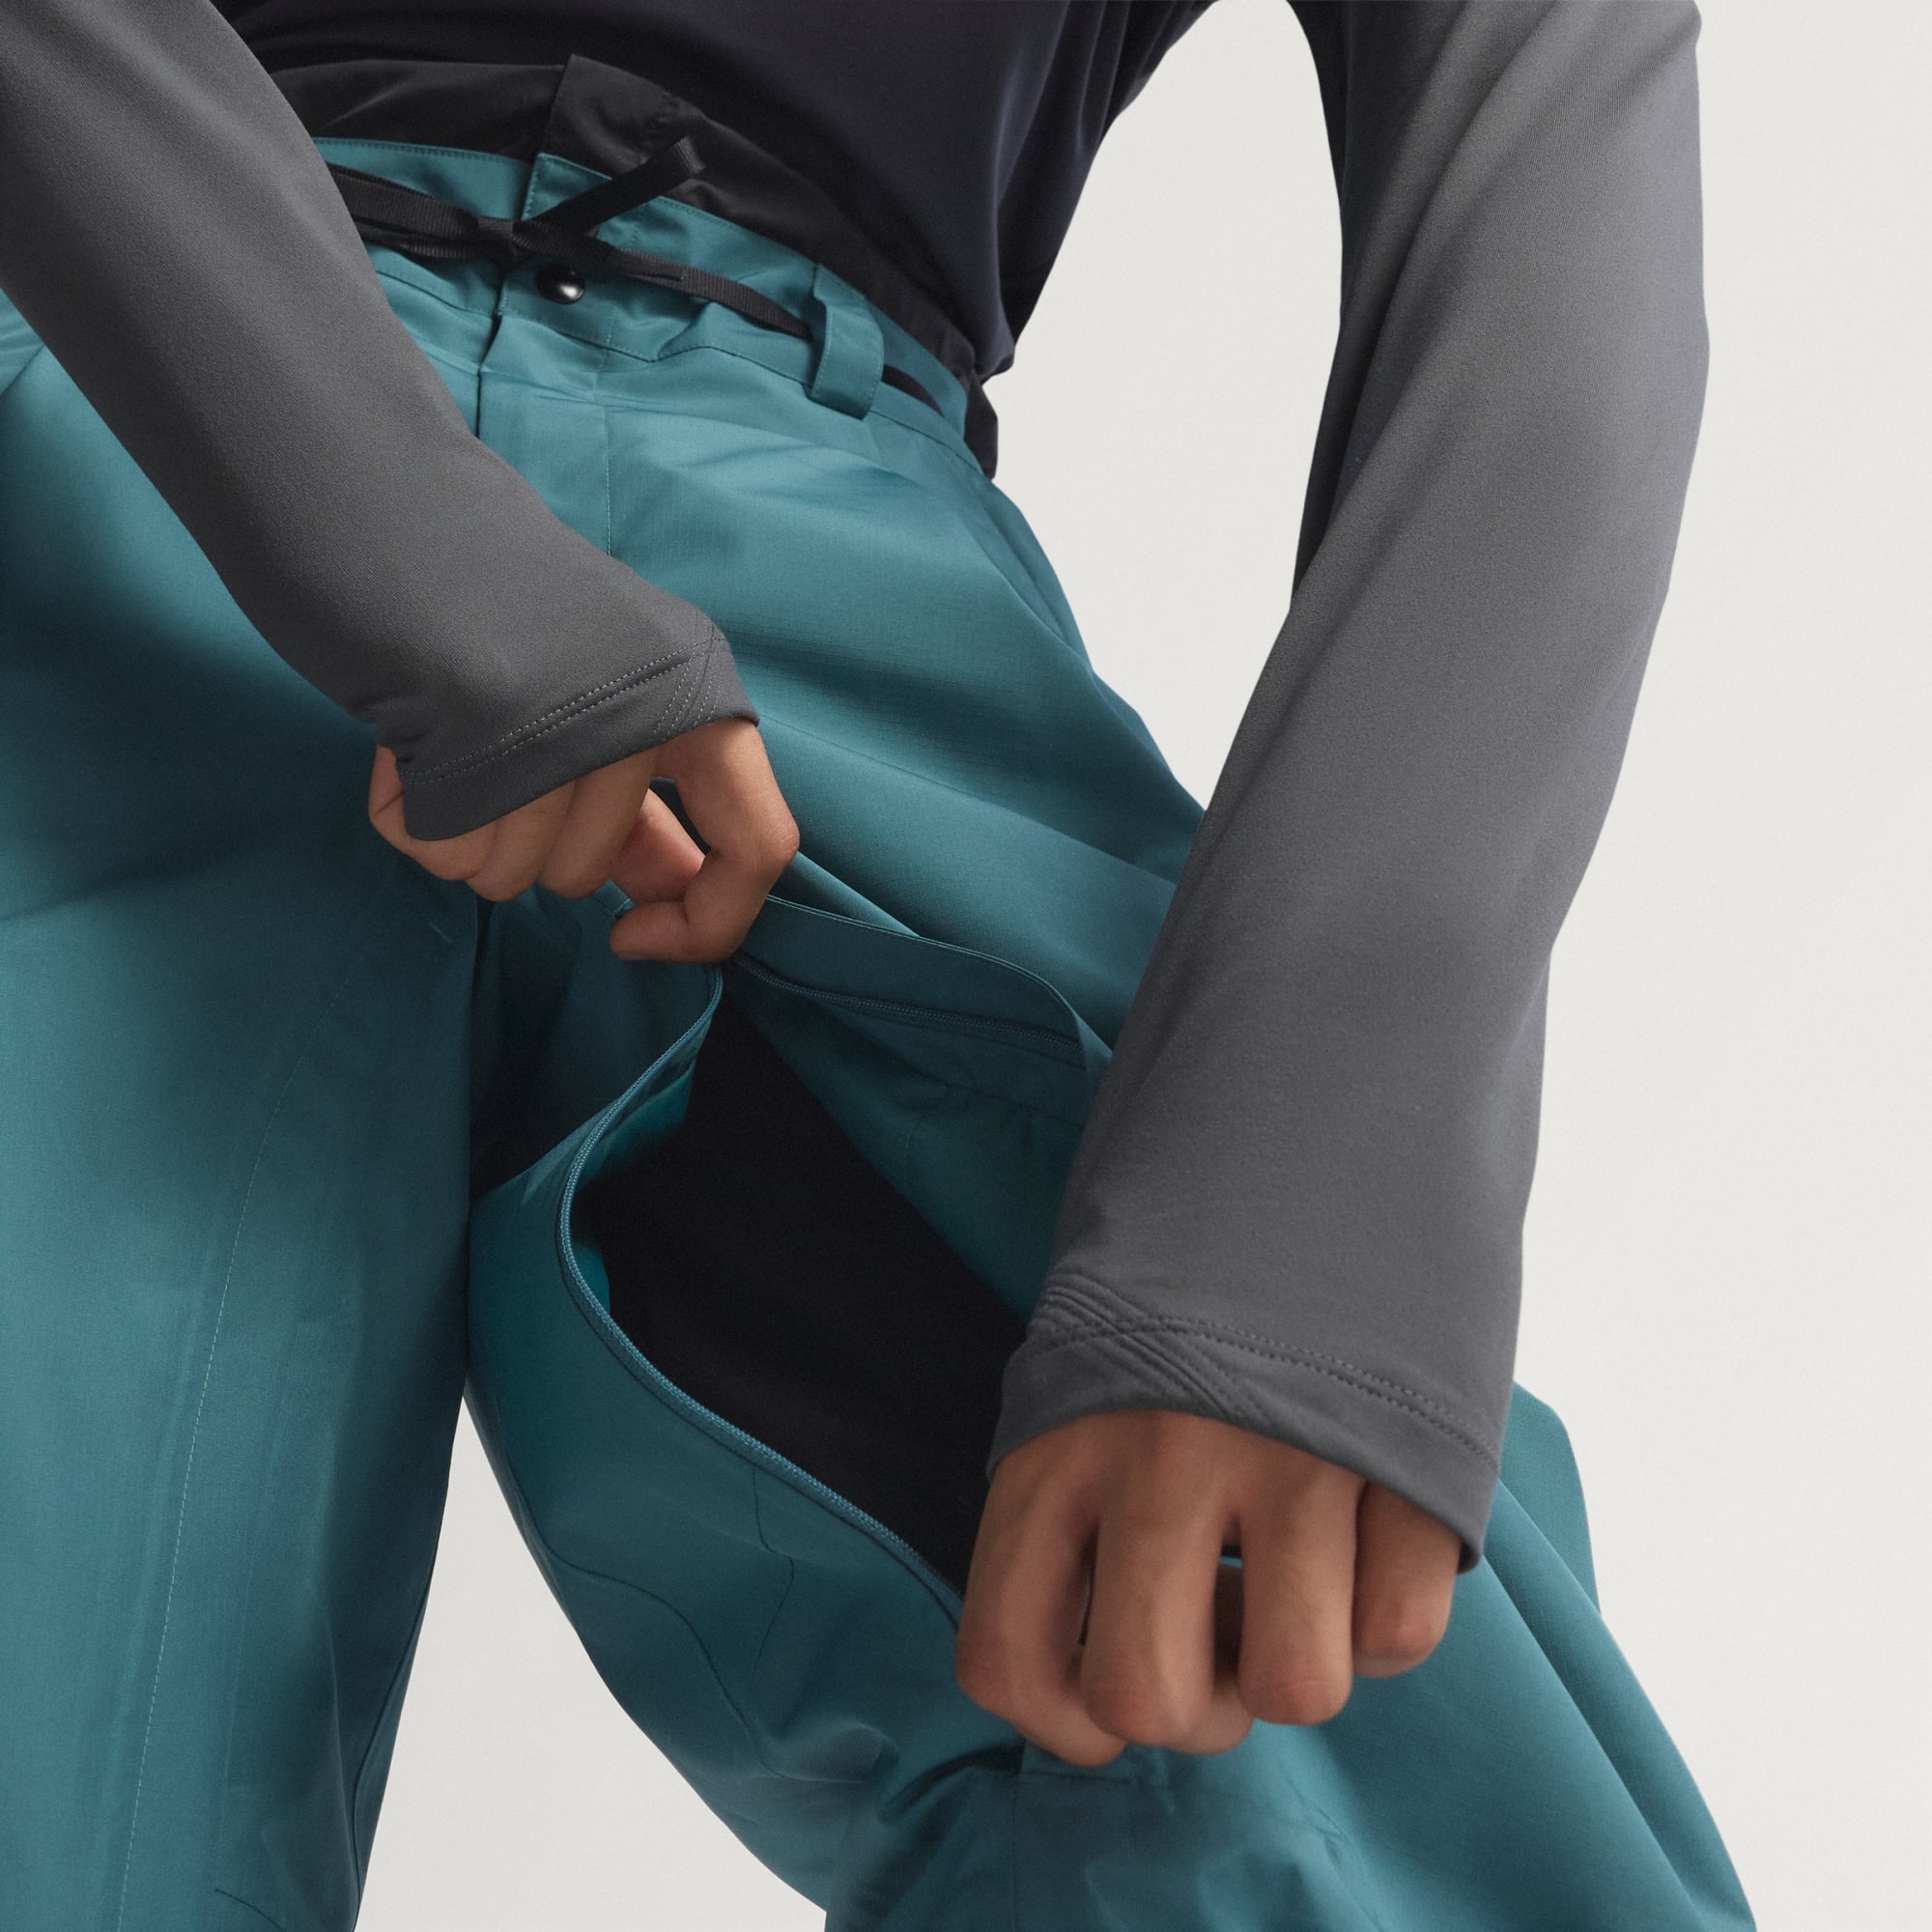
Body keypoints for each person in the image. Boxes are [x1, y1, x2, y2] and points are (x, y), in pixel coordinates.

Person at [0, 3, 1757, 1927]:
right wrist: (397, 537)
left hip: (814, 546)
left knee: (1315, 1727)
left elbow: (1546, 172)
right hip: (103, 367)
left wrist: (1301, 1184)